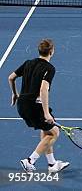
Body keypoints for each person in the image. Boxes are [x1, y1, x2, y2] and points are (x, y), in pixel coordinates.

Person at [8, 39, 69, 173]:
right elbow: (43, 89)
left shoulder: (28, 63)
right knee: (54, 133)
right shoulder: (49, 68)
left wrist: (14, 94)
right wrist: (46, 113)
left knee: (46, 130)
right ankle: (30, 161)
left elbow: (11, 77)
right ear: (52, 52)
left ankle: (52, 165)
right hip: (34, 106)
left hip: (22, 105)